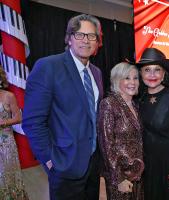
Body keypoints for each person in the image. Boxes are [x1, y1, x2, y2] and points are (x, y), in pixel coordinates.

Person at [22, 14, 104, 200]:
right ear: (69, 38)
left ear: (97, 42)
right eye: (79, 34)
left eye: (91, 36)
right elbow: (33, 122)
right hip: (63, 165)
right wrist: (50, 161)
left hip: (92, 165)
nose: (86, 40)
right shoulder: (48, 66)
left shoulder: (96, 73)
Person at [138, 48, 169, 200]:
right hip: (146, 163)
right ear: (141, 74)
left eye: (157, 70)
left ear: (164, 73)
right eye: (147, 70)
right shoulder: (139, 98)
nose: (152, 75)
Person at [99, 62, 143, 200]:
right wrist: (119, 178)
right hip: (120, 175)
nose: (132, 82)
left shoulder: (135, 105)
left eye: (135, 78)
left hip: (138, 173)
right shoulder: (109, 104)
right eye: (127, 78)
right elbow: (106, 144)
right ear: (117, 80)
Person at [0, 66, 29, 199]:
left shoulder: (8, 96)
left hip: (6, 144)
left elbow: (19, 118)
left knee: (7, 177)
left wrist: (4, 123)